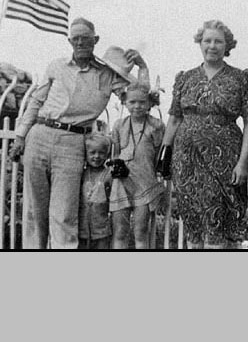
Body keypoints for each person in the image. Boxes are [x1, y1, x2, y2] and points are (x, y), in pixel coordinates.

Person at [8, 17, 149, 249]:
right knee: (34, 210)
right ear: (70, 41)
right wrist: (20, 136)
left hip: (73, 141)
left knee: (64, 212)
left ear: (96, 40)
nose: (81, 42)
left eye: (86, 38)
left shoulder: (107, 74)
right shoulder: (56, 66)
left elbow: (139, 97)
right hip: (40, 134)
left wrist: (143, 68)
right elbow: (36, 101)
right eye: (76, 38)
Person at [159, 20, 248, 249]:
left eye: (218, 41)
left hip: (224, 159)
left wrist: (243, 162)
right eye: (207, 40)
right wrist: (164, 154)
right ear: (200, 43)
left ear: (227, 45)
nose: (212, 46)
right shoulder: (185, 78)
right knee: (193, 221)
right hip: (187, 160)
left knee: (218, 221)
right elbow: (174, 118)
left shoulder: (240, 78)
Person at [109, 83, 165, 249]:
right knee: (119, 231)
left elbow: (159, 155)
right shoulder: (119, 125)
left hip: (144, 182)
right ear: (125, 103)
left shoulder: (156, 125)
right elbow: (116, 153)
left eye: (142, 102)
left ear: (149, 103)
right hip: (122, 182)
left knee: (141, 231)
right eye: (132, 102)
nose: (137, 106)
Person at [78, 134, 114, 249]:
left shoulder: (108, 175)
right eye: (92, 152)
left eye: (101, 153)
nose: (97, 156)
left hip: (101, 230)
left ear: (107, 154)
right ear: (85, 154)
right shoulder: (81, 174)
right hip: (81, 229)